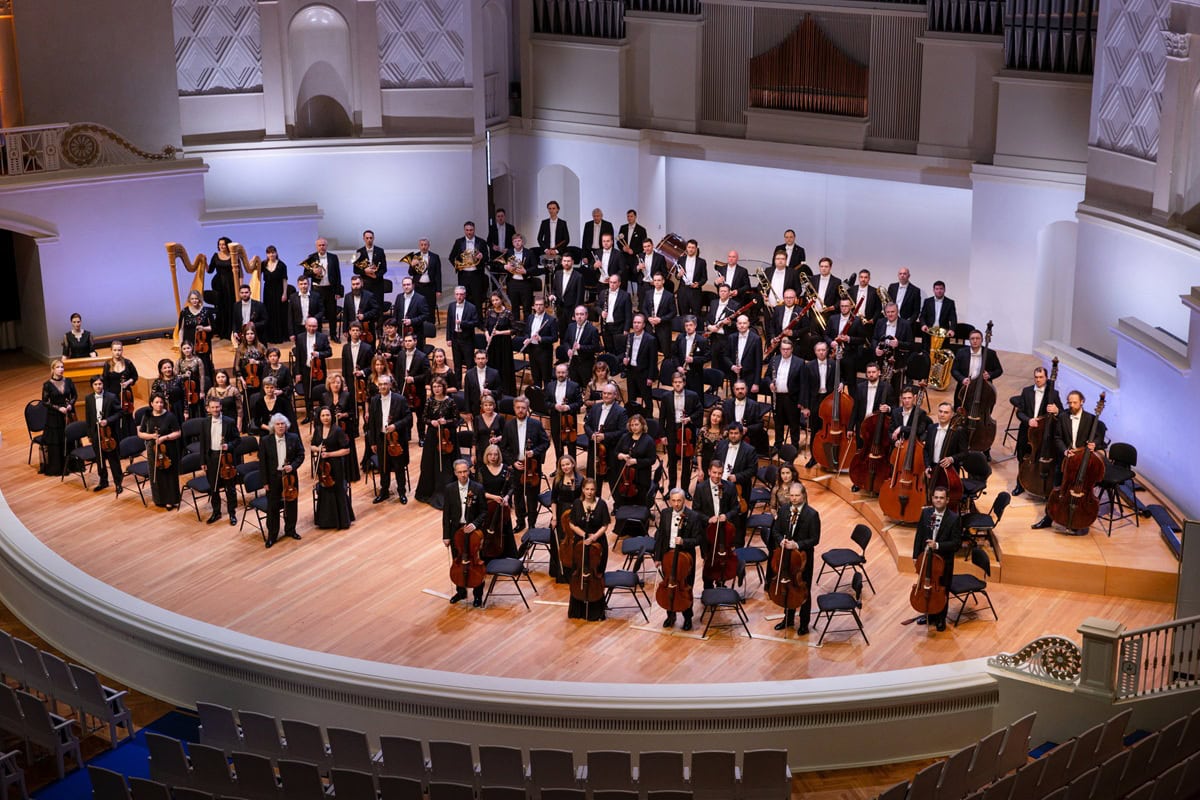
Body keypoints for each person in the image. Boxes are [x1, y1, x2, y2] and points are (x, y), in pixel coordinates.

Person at [1031, 390, 1107, 533]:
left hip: (1082, 462)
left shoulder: (1090, 419)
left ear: (1082, 402)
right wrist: (1065, 451)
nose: (1072, 405)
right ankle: (1048, 518)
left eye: (1075, 402)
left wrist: (1094, 444)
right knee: (1057, 491)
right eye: (1070, 402)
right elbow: (1057, 438)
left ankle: (1078, 520)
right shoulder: (1063, 417)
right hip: (1065, 461)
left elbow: (1098, 438)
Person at [768, 482, 821, 634]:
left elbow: (815, 539)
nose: (794, 498)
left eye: (797, 495)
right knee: (787, 585)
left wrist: (796, 544)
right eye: (791, 495)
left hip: (802, 560)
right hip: (786, 557)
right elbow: (775, 531)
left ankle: (804, 623)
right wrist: (781, 541)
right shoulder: (784, 510)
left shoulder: (812, 514)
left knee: (803, 589)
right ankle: (788, 619)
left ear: (803, 495)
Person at [912, 486, 961, 631]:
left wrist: (937, 545)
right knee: (926, 586)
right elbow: (919, 535)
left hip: (943, 562)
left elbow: (956, 544)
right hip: (926, 559)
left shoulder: (954, 518)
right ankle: (928, 614)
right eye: (936, 497)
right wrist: (916, 555)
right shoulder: (926, 513)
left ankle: (940, 619)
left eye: (941, 498)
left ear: (947, 500)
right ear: (932, 498)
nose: (938, 500)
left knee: (941, 590)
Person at [653, 488, 700, 630]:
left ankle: (687, 618)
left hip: (685, 559)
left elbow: (698, 539)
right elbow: (661, 536)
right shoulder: (666, 513)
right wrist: (658, 557)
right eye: (673, 501)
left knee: (685, 587)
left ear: (684, 500)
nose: (676, 504)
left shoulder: (693, 516)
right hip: (668, 556)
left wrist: (684, 541)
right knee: (669, 586)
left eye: (679, 500)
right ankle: (670, 615)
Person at [1012, 366, 1063, 497]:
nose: (1038, 380)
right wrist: (1028, 420)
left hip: (1043, 435)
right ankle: (1020, 484)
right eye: (1036, 377)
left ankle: (1041, 485)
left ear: (1046, 378)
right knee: (1022, 458)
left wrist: (1057, 411)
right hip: (1027, 431)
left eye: (1041, 377)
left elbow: (1062, 414)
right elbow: (1019, 412)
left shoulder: (1053, 394)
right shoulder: (1026, 391)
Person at [443, 459, 488, 606]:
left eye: (465, 471)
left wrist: (474, 524)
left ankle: (477, 595)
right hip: (457, 532)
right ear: (455, 473)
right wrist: (446, 536)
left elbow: (484, 512)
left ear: (469, 471)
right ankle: (461, 591)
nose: (463, 475)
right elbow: (446, 514)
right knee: (458, 561)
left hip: (474, 532)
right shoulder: (449, 489)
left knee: (475, 561)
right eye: (460, 472)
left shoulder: (477, 488)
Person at [501, 396, 550, 531]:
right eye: (518, 407)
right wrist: (513, 462)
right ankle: (520, 522)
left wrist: (534, 452)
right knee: (518, 497)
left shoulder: (536, 424)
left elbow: (546, 442)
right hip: (517, 467)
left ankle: (532, 524)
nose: (520, 410)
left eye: (523, 408)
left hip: (532, 467)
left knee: (532, 497)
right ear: (514, 408)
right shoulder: (508, 425)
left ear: (527, 409)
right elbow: (503, 448)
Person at [258, 413, 305, 547]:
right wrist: (265, 482)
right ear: (273, 426)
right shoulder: (265, 441)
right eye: (277, 424)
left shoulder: (293, 438)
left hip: (290, 477)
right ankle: (272, 535)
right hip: (273, 478)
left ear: (286, 425)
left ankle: (290, 530)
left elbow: (301, 455)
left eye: (282, 424)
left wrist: (293, 466)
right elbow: (262, 463)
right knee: (272, 507)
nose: (280, 426)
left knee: (291, 504)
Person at [566, 477, 610, 621]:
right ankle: (577, 609)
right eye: (587, 489)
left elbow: (605, 525)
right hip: (580, 543)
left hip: (598, 544)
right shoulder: (577, 503)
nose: (589, 492)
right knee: (578, 572)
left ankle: (596, 610)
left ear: (595, 490)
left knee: (597, 574)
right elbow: (572, 523)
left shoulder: (601, 504)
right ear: (583, 490)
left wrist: (594, 537)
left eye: (592, 489)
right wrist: (584, 535)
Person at [692, 460, 741, 586]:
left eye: (720, 473)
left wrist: (727, 516)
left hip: (725, 532)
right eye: (714, 472)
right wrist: (708, 519)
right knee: (708, 560)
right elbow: (695, 511)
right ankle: (707, 588)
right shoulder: (700, 488)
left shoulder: (729, 487)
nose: (717, 476)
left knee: (723, 560)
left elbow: (736, 508)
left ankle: (721, 583)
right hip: (707, 533)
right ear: (709, 472)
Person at [368, 375, 411, 504]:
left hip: (396, 439)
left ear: (390, 385)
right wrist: (373, 442)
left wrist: (395, 426)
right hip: (381, 438)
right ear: (378, 386)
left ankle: (402, 492)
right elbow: (372, 423)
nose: (383, 386)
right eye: (380, 384)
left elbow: (408, 418)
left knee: (399, 467)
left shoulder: (400, 399)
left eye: (385, 384)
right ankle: (384, 492)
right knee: (384, 467)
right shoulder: (374, 400)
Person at [416, 377, 458, 509]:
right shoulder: (429, 401)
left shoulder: (450, 401)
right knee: (429, 462)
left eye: (439, 386)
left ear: (444, 387)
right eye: (434, 387)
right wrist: (431, 422)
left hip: (447, 436)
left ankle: (446, 491)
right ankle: (429, 490)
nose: (437, 389)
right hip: (432, 436)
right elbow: (423, 418)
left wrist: (447, 422)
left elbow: (456, 420)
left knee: (446, 465)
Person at [312, 405, 354, 530]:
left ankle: (341, 520)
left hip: (335, 465)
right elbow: (312, 446)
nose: (325, 418)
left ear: (331, 416)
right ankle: (326, 521)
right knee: (324, 489)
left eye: (328, 415)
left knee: (337, 490)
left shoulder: (337, 430)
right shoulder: (318, 429)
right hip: (322, 466)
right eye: (323, 415)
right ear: (319, 417)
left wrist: (329, 454)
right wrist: (318, 449)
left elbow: (346, 450)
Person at [139, 393, 182, 510]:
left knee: (169, 474)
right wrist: (151, 436)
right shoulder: (147, 415)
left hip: (168, 449)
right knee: (156, 474)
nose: (159, 405)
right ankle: (159, 499)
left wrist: (165, 438)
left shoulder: (170, 416)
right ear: (151, 403)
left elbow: (178, 432)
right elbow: (140, 433)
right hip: (152, 449)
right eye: (156, 402)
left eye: (161, 402)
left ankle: (170, 500)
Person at [200, 396, 239, 525]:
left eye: (217, 407)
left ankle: (232, 513)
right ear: (208, 409)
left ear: (221, 407)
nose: (215, 409)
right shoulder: (205, 422)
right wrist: (203, 461)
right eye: (213, 407)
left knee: (230, 488)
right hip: (212, 458)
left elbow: (237, 440)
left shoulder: (229, 421)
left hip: (226, 459)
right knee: (214, 488)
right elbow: (203, 444)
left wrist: (229, 446)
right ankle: (216, 512)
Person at [661, 370, 702, 492]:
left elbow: (699, 411)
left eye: (680, 382)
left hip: (687, 432)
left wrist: (689, 418)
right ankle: (672, 489)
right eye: (675, 382)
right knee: (672, 462)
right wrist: (662, 435)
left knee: (686, 463)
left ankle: (685, 489)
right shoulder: (666, 397)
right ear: (672, 383)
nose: (677, 384)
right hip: (671, 431)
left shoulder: (693, 395)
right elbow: (662, 417)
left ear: (684, 383)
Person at [84, 375, 124, 495]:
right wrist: (90, 435)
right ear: (92, 386)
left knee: (113, 459)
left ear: (103, 384)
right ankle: (103, 481)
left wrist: (108, 420)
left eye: (100, 384)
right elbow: (88, 417)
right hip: (96, 433)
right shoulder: (88, 398)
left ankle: (118, 482)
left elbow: (120, 412)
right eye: (95, 384)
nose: (98, 386)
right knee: (99, 458)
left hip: (109, 433)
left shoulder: (111, 397)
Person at [583, 383, 627, 488]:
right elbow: (587, 425)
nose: (606, 396)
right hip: (595, 448)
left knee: (613, 480)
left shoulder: (621, 411)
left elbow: (623, 431)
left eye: (609, 394)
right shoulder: (595, 407)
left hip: (611, 449)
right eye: (604, 393)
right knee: (593, 480)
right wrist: (592, 434)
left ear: (615, 395)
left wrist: (605, 436)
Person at [478, 444, 518, 559]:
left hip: (502, 506)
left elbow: (512, 486)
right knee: (488, 530)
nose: (493, 457)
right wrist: (493, 497)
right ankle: (488, 555)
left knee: (505, 529)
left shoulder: (505, 468)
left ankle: (509, 556)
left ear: (499, 455)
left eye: (495, 454)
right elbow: (479, 491)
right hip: (488, 506)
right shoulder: (481, 470)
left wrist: (507, 497)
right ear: (486, 455)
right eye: (490, 454)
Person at [768, 338, 807, 453]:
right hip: (777, 397)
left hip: (792, 398)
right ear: (780, 349)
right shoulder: (774, 360)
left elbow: (803, 384)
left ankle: (794, 446)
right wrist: (770, 383)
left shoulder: (799, 362)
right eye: (783, 349)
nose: (785, 351)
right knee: (778, 422)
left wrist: (802, 402)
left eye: (788, 349)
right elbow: (767, 376)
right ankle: (778, 444)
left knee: (794, 423)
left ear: (792, 349)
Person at [320, 372, 361, 483]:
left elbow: (353, 412)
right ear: (329, 384)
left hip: (345, 428)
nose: (336, 385)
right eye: (333, 382)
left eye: (338, 382)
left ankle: (349, 475)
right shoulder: (324, 396)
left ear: (341, 384)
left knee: (346, 447)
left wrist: (344, 415)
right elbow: (321, 412)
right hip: (330, 428)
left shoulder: (347, 395)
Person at [548, 455, 582, 583]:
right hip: (561, 513)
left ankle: (575, 572)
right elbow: (553, 499)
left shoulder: (580, 480)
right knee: (561, 542)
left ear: (573, 464)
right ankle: (561, 572)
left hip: (575, 513)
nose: (565, 467)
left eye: (567, 464)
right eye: (563, 465)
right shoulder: (557, 480)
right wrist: (554, 517)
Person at [293, 316, 333, 424]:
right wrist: (297, 372)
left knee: (322, 393)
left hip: (319, 371)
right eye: (310, 326)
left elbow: (329, 352)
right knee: (308, 394)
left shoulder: (322, 337)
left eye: (314, 326)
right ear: (306, 326)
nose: (312, 328)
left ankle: (322, 415)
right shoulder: (300, 337)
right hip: (306, 370)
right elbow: (298, 357)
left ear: (317, 326)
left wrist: (319, 354)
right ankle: (309, 415)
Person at [611, 413, 655, 507]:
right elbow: (615, 452)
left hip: (641, 476)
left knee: (639, 500)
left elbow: (652, 460)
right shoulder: (625, 437)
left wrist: (636, 461)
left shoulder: (648, 440)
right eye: (632, 425)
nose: (634, 427)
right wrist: (622, 455)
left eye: (636, 424)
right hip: (624, 475)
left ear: (642, 425)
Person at [302, 237, 342, 337]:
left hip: (330, 289)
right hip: (317, 290)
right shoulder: (311, 257)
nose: (321, 247)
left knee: (332, 313)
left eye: (323, 245)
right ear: (316, 246)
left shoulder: (333, 257)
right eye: (319, 245)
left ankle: (333, 335)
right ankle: (318, 335)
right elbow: (305, 274)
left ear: (326, 246)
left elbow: (338, 275)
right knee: (318, 312)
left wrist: (338, 291)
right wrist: (313, 272)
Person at [714, 422, 757, 515]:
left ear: (741, 434)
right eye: (731, 433)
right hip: (719, 484)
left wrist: (737, 477)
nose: (733, 436)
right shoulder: (721, 444)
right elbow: (714, 461)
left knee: (737, 516)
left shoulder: (750, 450)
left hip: (738, 487)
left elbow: (752, 470)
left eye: (736, 433)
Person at [545, 362, 583, 463]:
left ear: (567, 373)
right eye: (558, 372)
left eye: (563, 372)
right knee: (558, 445)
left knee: (571, 446)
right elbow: (546, 402)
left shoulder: (574, 386)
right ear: (555, 373)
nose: (561, 375)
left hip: (569, 419)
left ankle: (573, 467)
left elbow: (580, 402)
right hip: (555, 418)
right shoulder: (550, 385)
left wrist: (568, 407)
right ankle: (559, 467)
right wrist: (554, 406)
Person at [102, 340, 138, 439]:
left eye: (119, 350)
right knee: (116, 416)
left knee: (127, 415)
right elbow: (105, 382)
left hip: (126, 395)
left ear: (122, 350)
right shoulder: (107, 364)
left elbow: (135, 376)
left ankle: (130, 438)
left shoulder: (128, 363)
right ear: (111, 351)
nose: (117, 352)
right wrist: (107, 397)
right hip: (113, 396)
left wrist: (128, 382)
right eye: (115, 350)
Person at [623, 313, 657, 414]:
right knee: (631, 399)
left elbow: (653, 360)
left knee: (647, 399)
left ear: (644, 325)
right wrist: (625, 360)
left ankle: (649, 419)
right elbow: (626, 352)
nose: (636, 325)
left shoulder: (650, 339)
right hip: (631, 372)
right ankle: (632, 418)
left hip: (644, 374)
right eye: (634, 322)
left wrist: (650, 377)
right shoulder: (629, 336)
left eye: (639, 323)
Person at [178, 290, 216, 379]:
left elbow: (213, 328)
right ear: (189, 300)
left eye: (196, 298)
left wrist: (204, 328)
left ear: (199, 299)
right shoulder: (184, 312)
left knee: (204, 362)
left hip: (203, 343)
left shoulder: (206, 311)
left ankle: (206, 381)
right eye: (192, 299)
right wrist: (181, 343)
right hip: (189, 341)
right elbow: (181, 329)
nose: (194, 301)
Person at [723, 380, 768, 455]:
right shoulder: (727, 404)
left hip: (748, 436)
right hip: (730, 435)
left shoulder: (754, 405)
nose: (740, 391)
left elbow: (760, 424)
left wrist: (747, 429)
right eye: (737, 389)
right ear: (733, 390)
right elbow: (724, 421)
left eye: (742, 389)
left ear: (746, 389)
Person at [484, 291, 516, 396]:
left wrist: (499, 332)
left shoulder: (508, 313)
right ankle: (493, 390)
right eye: (493, 300)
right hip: (492, 343)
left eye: (496, 300)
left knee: (504, 367)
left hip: (504, 343)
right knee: (492, 365)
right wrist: (487, 336)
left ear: (501, 300)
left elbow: (514, 330)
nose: (494, 302)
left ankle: (506, 391)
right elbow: (485, 327)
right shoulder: (489, 312)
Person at [562, 304, 601, 389]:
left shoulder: (592, 330)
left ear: (586, 315)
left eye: (581, 314)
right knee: (574, 387)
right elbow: (566, 342)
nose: (579, 317)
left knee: (586, 388)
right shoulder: (571, 327)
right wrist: (568, 349)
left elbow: (596, 348)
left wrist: (581, 347)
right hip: (573, 362)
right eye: (577, 314)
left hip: (586, 364)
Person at [448, 221, 485, 308]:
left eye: (471, 230)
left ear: (474, 230)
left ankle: (478, 317)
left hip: (477, 275)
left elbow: (487, 258)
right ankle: (465, 316)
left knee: (477, 299)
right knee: (463, 299)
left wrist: (482, 256)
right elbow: (451, 257)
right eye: (467, 230)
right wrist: (458, 266)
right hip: (463, 275)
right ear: (464, 230)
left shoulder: (481, 242)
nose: (469, 232)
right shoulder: (458, 242)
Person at [206, 236, 237, 339]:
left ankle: (230, 331)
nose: (221, 246)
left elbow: (239, 273)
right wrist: (203, 262)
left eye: (223, 244)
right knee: (221, 307)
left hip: (231, 284)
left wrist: (239, 286)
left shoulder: (233, 255)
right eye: (220, 244)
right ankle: (221, 330)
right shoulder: (215, 256)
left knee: (230, 306)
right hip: (218, 284)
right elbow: (210, 270)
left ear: (228, 245)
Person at [524, 296, 558, 389]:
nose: (538, 307)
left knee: (546, 378)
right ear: (533, 306)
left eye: (541, 305)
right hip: (532, 350)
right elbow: (526, 332)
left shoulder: (551, 320)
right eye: (537, 305)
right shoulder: (530, 317)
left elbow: (555, 338)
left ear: (545, 306)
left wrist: (541, 338)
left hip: (544, 351)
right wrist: (527, 338)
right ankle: (537, 395)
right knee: (536, 376)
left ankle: (547, 396)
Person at [446, 285, 479, 379]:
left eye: (461, 294)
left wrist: (462, 323)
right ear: (454, 295)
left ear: (465, 295)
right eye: (457, 294)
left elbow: (475, 322)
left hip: (467, 339)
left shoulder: (471, 307)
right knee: (457, 364)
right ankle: (457, 384)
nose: (459, 297)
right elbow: (449, 323)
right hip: (455, 338)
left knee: (469, 364)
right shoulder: (451, 306)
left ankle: (470, 384)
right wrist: (448, 338)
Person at [641, 271, 675, 358]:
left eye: (659, 280)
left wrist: (661, 319)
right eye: (655, 280)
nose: (656, 282)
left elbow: (673, 312)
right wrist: (648, 318)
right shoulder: (648, 293)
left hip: (663, 327)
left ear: (663, 281)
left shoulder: (669, 295)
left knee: (666, 352)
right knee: (650, 352)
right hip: (650, 326)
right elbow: (644, 308)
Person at [672, 316, 709, 397]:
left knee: (695, 398)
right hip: (681, 374)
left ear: (695, 326)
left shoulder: (702, 340)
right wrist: (678, 367)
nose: (688, 327)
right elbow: (674, 355)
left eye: (691, 325)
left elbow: (707, 357)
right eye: (686, 325)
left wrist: (693, 360)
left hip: (695, 375)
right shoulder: (680, 337)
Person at [597, 273, 632, 354]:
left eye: (614, 282)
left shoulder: (625, 295)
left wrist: (626, 329)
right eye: (610, 282)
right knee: (608, 350)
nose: (612, 285)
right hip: (606, 326)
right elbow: (597, 306)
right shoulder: (603, 293)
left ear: (619, 283)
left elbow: (628, 314)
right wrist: (601, 312)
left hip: (619, 327)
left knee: (618, 350)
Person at [260, 245, 289, 343]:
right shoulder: (263, 264)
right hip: (267, 291)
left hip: (278, 290)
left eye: (273, 252)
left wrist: (284, 293)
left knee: (279, 312)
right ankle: (269, 336)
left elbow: (284, 280)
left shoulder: (282, 265)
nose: (271, 254)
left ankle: (279, 336)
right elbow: (255, 273)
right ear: (266, 254)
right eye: (269, 253)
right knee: (269, 312)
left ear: (276, 253)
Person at [341, 274, 381, 342]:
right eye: (353, 284)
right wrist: (345, 330)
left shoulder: (369, 295)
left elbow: (376, 310)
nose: (355, 286)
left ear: (362, 284)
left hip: (366, 328)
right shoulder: (347, 296)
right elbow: (345, 314)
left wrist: (364, 316)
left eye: (357, 284)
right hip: (352, 329)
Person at [411, 237, 443, 322]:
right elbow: (410, 273)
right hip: (418, 287)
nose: (423, 247)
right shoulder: (415, 256)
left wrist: (439, 290)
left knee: (431, 307)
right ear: (419, 246)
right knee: (418, 307)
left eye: (425, 245)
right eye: (421, 245)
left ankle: (431, 325)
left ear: (429, 246)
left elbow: (438, 274)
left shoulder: (435, 257)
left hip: (430, 287)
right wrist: (412, 265)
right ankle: (418, 324)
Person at [394, 276, 430, 347]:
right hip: (401, 331)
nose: (406, 287)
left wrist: (412, 321)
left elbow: (425, 315)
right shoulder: (399, 297)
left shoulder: (420, 298)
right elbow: (396, 313)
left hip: (415, 331)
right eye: (404, 285)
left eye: (408, 284)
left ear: (413, 285)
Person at [464, 349, 502, 416]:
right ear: (475, 360)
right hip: (475, 409)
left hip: (491, 408)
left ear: (487, 359)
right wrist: (468, 412)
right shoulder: (469, 374)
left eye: (483, 358)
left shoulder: (494, 373)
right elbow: (467, 394)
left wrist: (490, 392)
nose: (480, 361)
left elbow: (499, 392)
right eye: (478, 358)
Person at [675, 239, 706, 318]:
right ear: (686, 248)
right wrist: (679, 274)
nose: (691, 249)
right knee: (683, 315)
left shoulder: (701, 262)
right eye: (689, 247)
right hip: (683, 291)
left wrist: (698, 284)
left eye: (693, 247)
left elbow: (704, 278)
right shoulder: (680, 260)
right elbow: (676, 276)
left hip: (695, 292)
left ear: (696, 249)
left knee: (696, 315)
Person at [353, 229, 388, 301]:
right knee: (365, 305)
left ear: (374, 238)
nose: (369, 240)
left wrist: (376, 276)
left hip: (378, 284)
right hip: (365, 284)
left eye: (371, 238)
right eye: (367, 238)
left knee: (378, 305)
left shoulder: (380, 251)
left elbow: (384, 269)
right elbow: (355, 270)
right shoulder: (359, 251)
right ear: (363, 239)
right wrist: (365, 271)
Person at [472, 393, 504, 468]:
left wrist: (498, 439)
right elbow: (475, 437)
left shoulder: (500, 418)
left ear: (494, 406)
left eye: (490, 405)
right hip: (481, 450)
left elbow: (506, 435)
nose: (488, 407)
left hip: (495, 450)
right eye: (485, 405)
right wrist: (473, 454)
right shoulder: (477, 418)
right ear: (482, 407)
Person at [177, 341, 207, 421]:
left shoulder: (198, 360)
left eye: (188, 348)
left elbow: (202, 376)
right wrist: (184, 375)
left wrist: (202, 391)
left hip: (195, 388)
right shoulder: (180, 361)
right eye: (184, 349)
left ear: (192, 348)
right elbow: (175, 376)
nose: (186, 350)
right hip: (184, 388)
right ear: (181, 350)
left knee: (197, 407)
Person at [151, 358, 185, 423]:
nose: (167, 369)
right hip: (163, 409)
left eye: (169, 367)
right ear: (161, 370)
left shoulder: (178, 379)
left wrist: (186, 411)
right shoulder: (157, 382)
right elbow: (153, 398)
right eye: (165, 368)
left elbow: (184, 395)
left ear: (172, 368)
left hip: (178, 408)